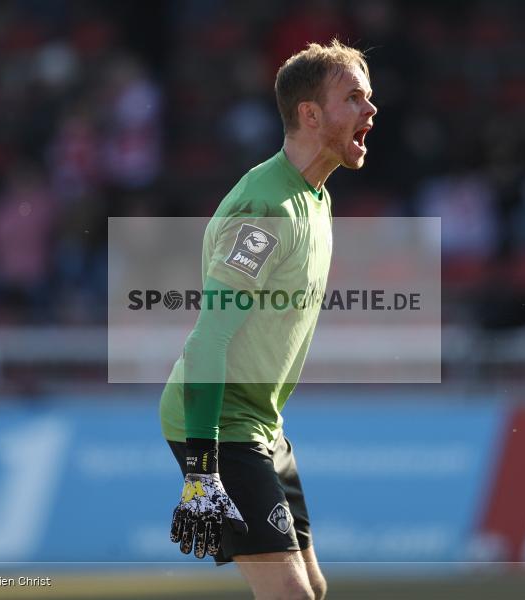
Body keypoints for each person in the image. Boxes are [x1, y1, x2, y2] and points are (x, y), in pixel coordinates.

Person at [159, 40, 376, 600]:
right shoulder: (265, 212)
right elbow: (208, 340)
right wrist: (202, 470)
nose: (370, 110)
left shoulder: (315, 197)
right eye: (354, 98)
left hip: (262, 425)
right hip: (220, 425)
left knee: (314, 588)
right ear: (311, 114)